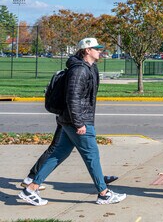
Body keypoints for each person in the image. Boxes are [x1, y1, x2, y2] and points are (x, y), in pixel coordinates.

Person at [19, 37, 127, 206]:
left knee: (57, 154)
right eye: (96, 48)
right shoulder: (79, 71)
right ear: (87, 51)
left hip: (72, 120)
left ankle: (31, 188)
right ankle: (104, 194)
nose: (100, 51)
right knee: (92, 156)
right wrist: (79, 124)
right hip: (78, 121)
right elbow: (73, 98)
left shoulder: (89, 68)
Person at [20, 123, 118, 190]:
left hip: (71, 117)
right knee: (57, 150)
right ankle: (32, 179)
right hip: (71, 118)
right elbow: (73, 99)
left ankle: (99, 179)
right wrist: (79, 121)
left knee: (63, 151)